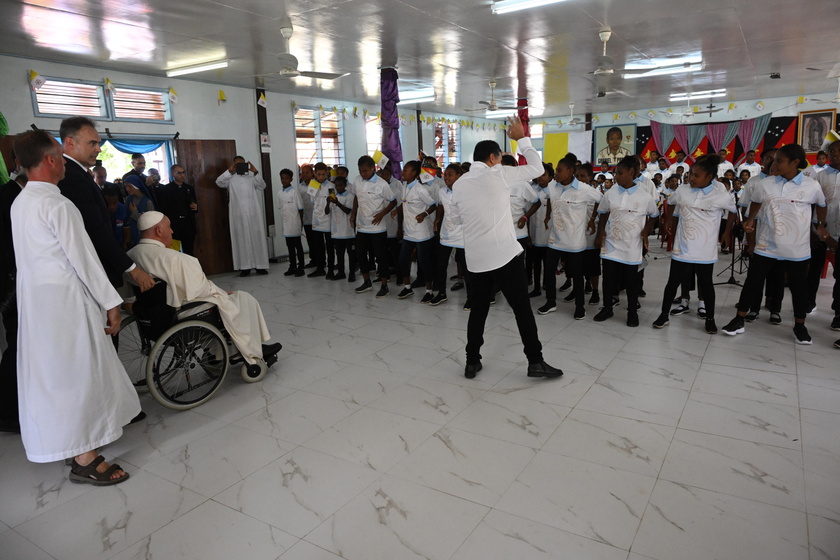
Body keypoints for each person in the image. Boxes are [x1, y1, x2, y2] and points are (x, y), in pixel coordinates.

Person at [12, 129, 140, 483]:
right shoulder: (56, 203)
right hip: (64, 303)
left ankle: (71, 445)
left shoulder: (22, 201)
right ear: (51, 159)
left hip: (37, 303)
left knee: (55, 377)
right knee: (78, 376)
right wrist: (111, 301)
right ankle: (85, 456)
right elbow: (82, 259)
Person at [449, 116, 563, 380]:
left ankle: (471, 362)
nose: (500, 162)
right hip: (503, 255)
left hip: (475, 258)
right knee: (521, 308)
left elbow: (455, 219)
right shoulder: (498, 173)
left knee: (478, 310)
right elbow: (536, 168)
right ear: (491, 158)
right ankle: (535, 362)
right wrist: (521, 137)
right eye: (499, 158)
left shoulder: (460, 184)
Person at [128, 211, 281, 367]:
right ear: (159, 231)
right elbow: (201, 290)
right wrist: (220, 293)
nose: (172, 231)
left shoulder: (129, 257)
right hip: (181, 313)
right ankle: (252, 351)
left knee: (228, 300)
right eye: (169, 227)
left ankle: (220, 353)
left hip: (153, 316)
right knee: (243, 298)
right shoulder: (175, 258)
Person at [721, 144, 828, 344]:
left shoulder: (811, 185)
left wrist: (820, 226)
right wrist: (750, 219)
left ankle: (799, 326)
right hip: (766, 245)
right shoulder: (766, 184)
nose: (774, 163)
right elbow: (756, 201)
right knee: (752, 283)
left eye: (779, 160)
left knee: (798, 288)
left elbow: (821, 205)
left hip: (797, 248)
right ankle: (739, 319)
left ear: (795, 163)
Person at [57, 117, 154, 293]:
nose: (98, 149)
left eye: (98, 143)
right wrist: (131, 269)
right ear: (70, 143)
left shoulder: (80, 173)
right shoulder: (71, 177)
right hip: (87, 269)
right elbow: (94, 230)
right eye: (92, 143)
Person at [652, 155, 737, 333]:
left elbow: (732, 211)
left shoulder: (720, 194)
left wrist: (727, 232)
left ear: (709, 178)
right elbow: (671, 202)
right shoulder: (683, 190)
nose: (691, 178)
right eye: (690, 174)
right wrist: (668, 221)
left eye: (696, 175)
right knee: (672, 282)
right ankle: (664, 314)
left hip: (705, 249)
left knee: (706, 284)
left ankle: (710, 318)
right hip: (682, 247)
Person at [594, 156, 659, 327]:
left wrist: (646, 231)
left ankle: (632, 312)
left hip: (631, 246)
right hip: (611, 244)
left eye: (620, 173)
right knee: (608, 279)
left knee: (632, 282)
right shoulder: (611, 193)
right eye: (616, 173)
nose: (617, 177)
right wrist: (600, 233)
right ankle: (607, 308)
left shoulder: (644, 196)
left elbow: (654, 215)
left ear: (631, 173)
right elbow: (603, 212)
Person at [540, 156, 602, 320]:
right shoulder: (552, 186)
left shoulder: (584, 189)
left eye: (560, 170)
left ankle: (580, 306)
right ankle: (551, 302)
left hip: (574, 242)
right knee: (548, 271)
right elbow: (549, 201)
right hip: (555, 239)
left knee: (576, 274)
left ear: (570, 171)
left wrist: (592, 219)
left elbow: (602, 201)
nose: (556, 173)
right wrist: (548, 216)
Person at [0, 167, 26, 433]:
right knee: (16, 346)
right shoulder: (10, 198)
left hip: (15, 281)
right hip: (12, 284)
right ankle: (7, 411)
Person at [351, 155, 397, 298]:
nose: (363, 174)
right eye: (360, 171)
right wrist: (353, 214)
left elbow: (393, 201)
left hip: (378, 228)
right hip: (362, 226)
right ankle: (366, 281)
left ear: (373, 168)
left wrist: (381, 214)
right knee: (360, 254)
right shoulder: (357, 180)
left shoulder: (382, 184)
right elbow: (356, 197)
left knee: (380, 257)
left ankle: (384, 285)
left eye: (365, 170)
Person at [215, 155, 269, 276]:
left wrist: (256, 172)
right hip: (237, 214)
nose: (240, 166)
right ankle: (245, 267)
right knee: (241, 239)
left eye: (242, 164)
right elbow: (218, 182)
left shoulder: (251, 179)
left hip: (253, 213)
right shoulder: (230, 179)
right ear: (234, 165)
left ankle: (260, 266)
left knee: (256, 237)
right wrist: (229, 171)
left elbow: (262, 186)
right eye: (237, 164)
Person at [396, 161, 437, 302]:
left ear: (413, 173)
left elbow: (433, 205)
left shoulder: (420, 189)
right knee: (402, 260)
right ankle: (407, 288)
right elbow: (404, 203)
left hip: (421, 233)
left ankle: (429, 291)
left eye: (406, 170)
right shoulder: (404, 186)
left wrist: (424, 214)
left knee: (424, 263)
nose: (403, 172)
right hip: (408, 231)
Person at [431, 163, 469, 306]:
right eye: (445, 174)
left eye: (450, 174)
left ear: (459, 176)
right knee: (441, 266)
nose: (446, 177)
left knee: (466, 267)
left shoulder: (466, 192)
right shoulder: (441, 191)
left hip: (462, 235)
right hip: (446, 234)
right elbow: (441, 205)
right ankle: (441, 293)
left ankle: (470, 297)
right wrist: (438, 218)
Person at [815, 140, 840, 337]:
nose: (835, 154)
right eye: (832, 151)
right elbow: (816, 205)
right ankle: (808, 302)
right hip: (824, 230)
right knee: (815, 268)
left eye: (838, 151)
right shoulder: (820, 176)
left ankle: (838, 312)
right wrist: (822, 230)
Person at [156, 164, 198, 255]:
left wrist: (196, 207)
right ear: (173, 174)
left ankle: (188, 269)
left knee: (189, 252)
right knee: (173, 253)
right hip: (174, 225)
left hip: (188, 225)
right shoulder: (166, 189)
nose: (182, 175)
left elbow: (194, 205)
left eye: (183, 173)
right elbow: (163, 209)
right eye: (179, 173)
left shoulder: (189, 188)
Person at [528, 163, 553, 298]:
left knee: (548, 264)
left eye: (544, 174)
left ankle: (547, 285)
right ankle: (536, 287)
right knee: (536, 263)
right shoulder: (532, 190)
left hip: (549, 234)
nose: (541, 177)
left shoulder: (553, 190)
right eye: (539, 174)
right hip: (535, 233)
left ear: (550, 177)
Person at [325, 175, 356, 282]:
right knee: (339, 253)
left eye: (340, 185)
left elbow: (348, 211)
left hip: (348, 231)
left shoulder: (350, 196)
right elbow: (326, 212)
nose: (338, 188)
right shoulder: (333, 197)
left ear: (345, 186)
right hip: (337, 231)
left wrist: (337, 203)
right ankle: (341, 272)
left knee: (351, 254)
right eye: (336, 186)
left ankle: (352, 273)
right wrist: (328, 202)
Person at [306, 162, 334, 278]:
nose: (321, 177)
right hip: (317, 219)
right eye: (319, 174)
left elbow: (333, 202)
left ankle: (331, 269)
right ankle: (320, 267)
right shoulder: (312, 185)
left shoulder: (331, 186)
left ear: (327, 173)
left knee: (330, 246)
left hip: (328, 219)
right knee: (318, 245)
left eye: (323, 174)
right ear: (315, 174)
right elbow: (312, 201)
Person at [277, 168, 305, 277]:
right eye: (282, 178)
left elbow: (300, 209)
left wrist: (301, 223)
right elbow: (281, 208)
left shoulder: (294, 192)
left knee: (298, 246)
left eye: (286, 178)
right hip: (286, 224)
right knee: (290, 246)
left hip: (295, 223)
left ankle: (301, 266)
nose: (284, 180)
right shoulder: (280, 193)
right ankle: (292, 266)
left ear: (291, 179)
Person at [123, 174, 156, 247]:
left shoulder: (148, 202)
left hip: (143, 236)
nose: (127, 189)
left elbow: (150, 222)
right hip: (130, 235)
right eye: (126, 186)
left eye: (130, 186)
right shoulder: (128, 199)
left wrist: (135, 213)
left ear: (136, 186)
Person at [297, 164, 316, 268]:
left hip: (316, 218)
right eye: (302, 172)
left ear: (312, 173)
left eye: (307, 172)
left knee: (317, 241)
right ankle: (313, 259)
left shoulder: (315, 184)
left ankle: (320, 260)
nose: (304, 174)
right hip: (306, 218)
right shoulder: (300, 186)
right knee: (310, 240)